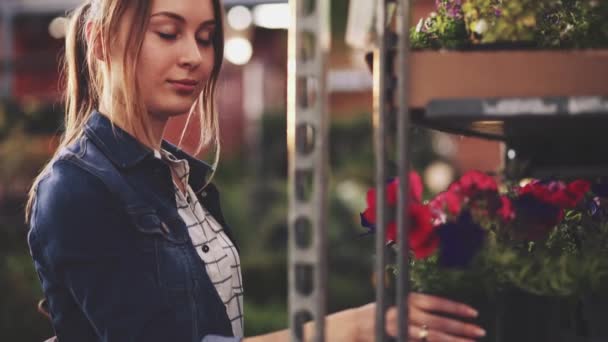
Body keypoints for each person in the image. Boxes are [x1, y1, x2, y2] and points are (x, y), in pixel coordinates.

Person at [25, 0, 487, 341]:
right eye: (168, 33)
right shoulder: (77, 188)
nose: (195, 57)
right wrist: (352, 328)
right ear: (101, 41)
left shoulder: (181, 178)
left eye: (206, 38)